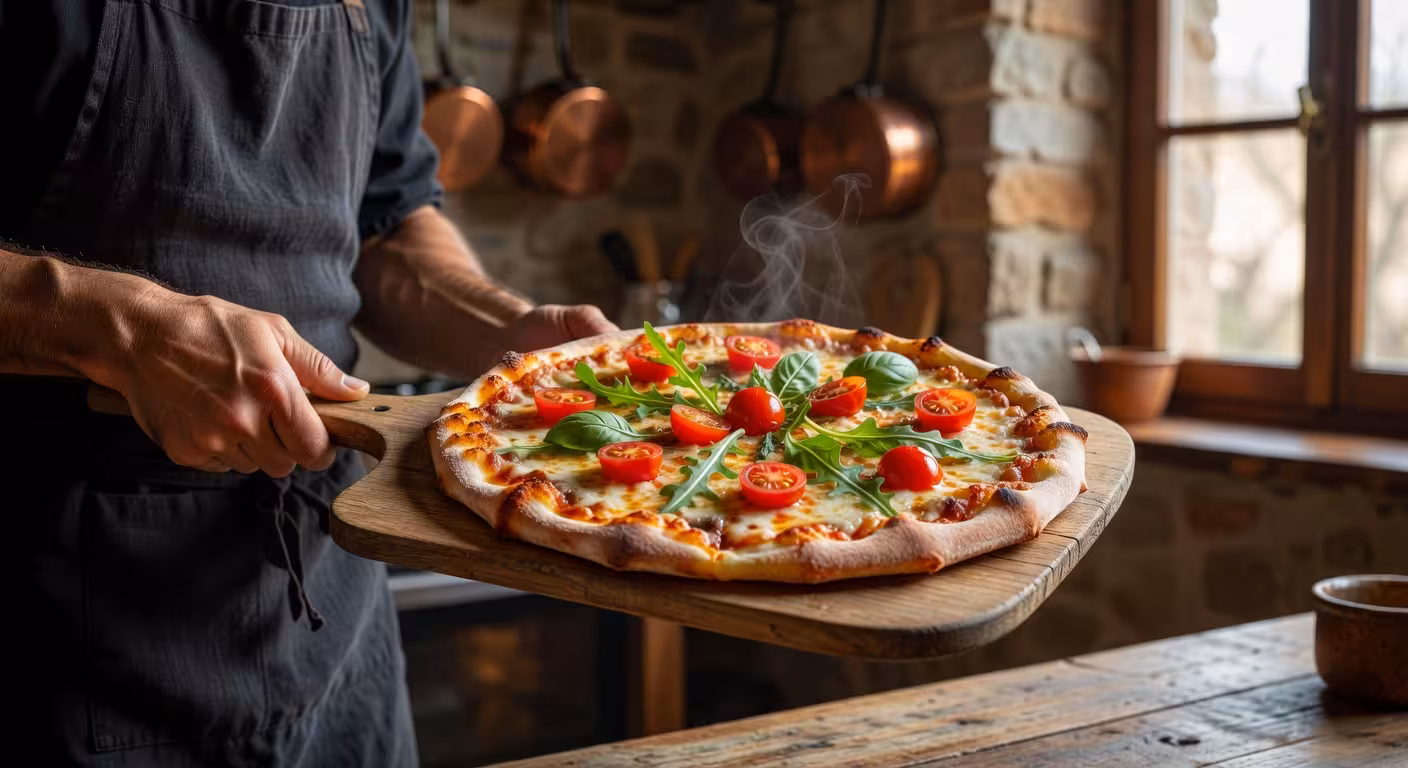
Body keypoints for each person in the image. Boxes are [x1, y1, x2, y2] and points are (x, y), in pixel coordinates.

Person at [0, 1, 616, 764]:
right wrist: (121, 327)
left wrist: (510, 332)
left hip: (331, 593)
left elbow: (390, 230)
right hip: (70, 621)